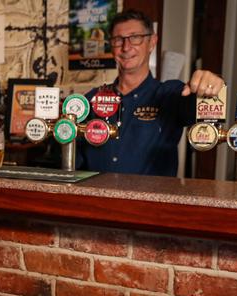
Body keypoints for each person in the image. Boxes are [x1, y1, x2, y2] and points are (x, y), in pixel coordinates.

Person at [76, 9, 226, 176]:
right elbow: (75, 159)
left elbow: (201, 112)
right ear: (112, 46)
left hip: (150, 201)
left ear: (152, 42)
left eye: (135, 38)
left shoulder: (170, 94)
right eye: (119, 40)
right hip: (95, 200)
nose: (126, 47)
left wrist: (211, 84)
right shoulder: (92, 99)